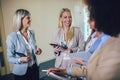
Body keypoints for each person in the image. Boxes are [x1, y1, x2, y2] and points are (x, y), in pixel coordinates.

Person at [47, 0, 120, 80]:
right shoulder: (57, 32)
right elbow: (88, 69)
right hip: (61, 64)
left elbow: (82, 49)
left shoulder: (77, 31)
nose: (68, 19)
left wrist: (71, 50)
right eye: (65, 17)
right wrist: (57, 50)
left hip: (73, 63)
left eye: (69, 17)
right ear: (60, 19)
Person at [6, 9, 42, 80]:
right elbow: (10, 58)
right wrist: (20, 60)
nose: (30, 19)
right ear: (20, 20)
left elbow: (33, 48)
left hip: (34, 67)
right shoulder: (11, 37)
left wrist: (37, 50)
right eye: (28, 18)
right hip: (21, 72)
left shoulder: (32, 33)